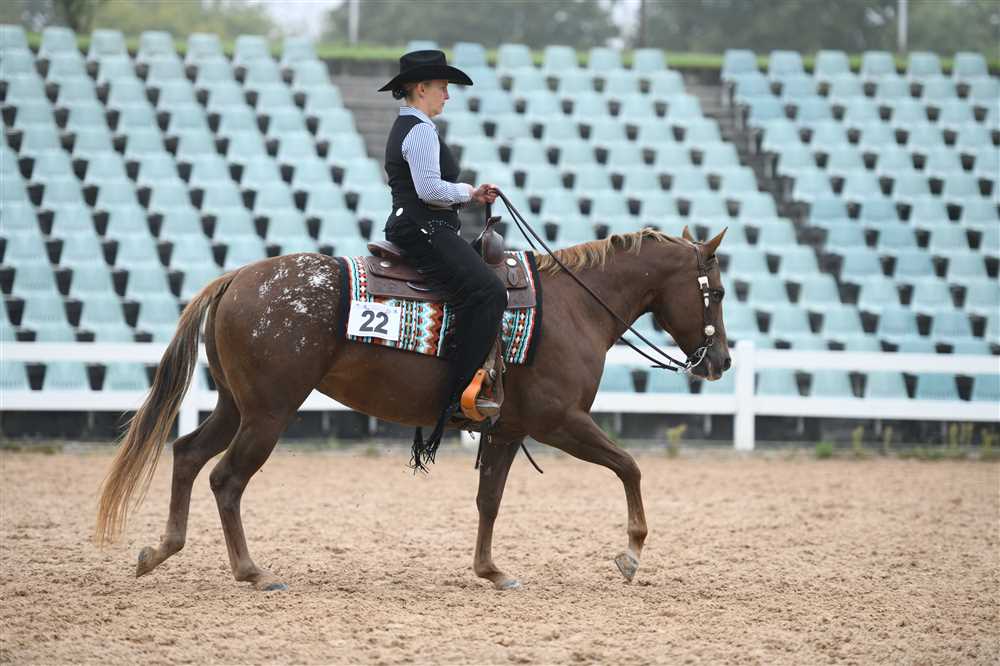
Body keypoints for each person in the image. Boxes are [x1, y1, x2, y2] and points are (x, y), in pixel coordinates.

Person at [378, 50, 507, 468]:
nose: (447, 96)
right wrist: (469, 192)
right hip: (424, 227)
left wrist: (469, 194)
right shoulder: (420, 131)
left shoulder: (412, 127)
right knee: (489, 292)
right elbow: (430, 191)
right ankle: (459, 396)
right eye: (442, 87)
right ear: (421, 88)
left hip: (420, 225)